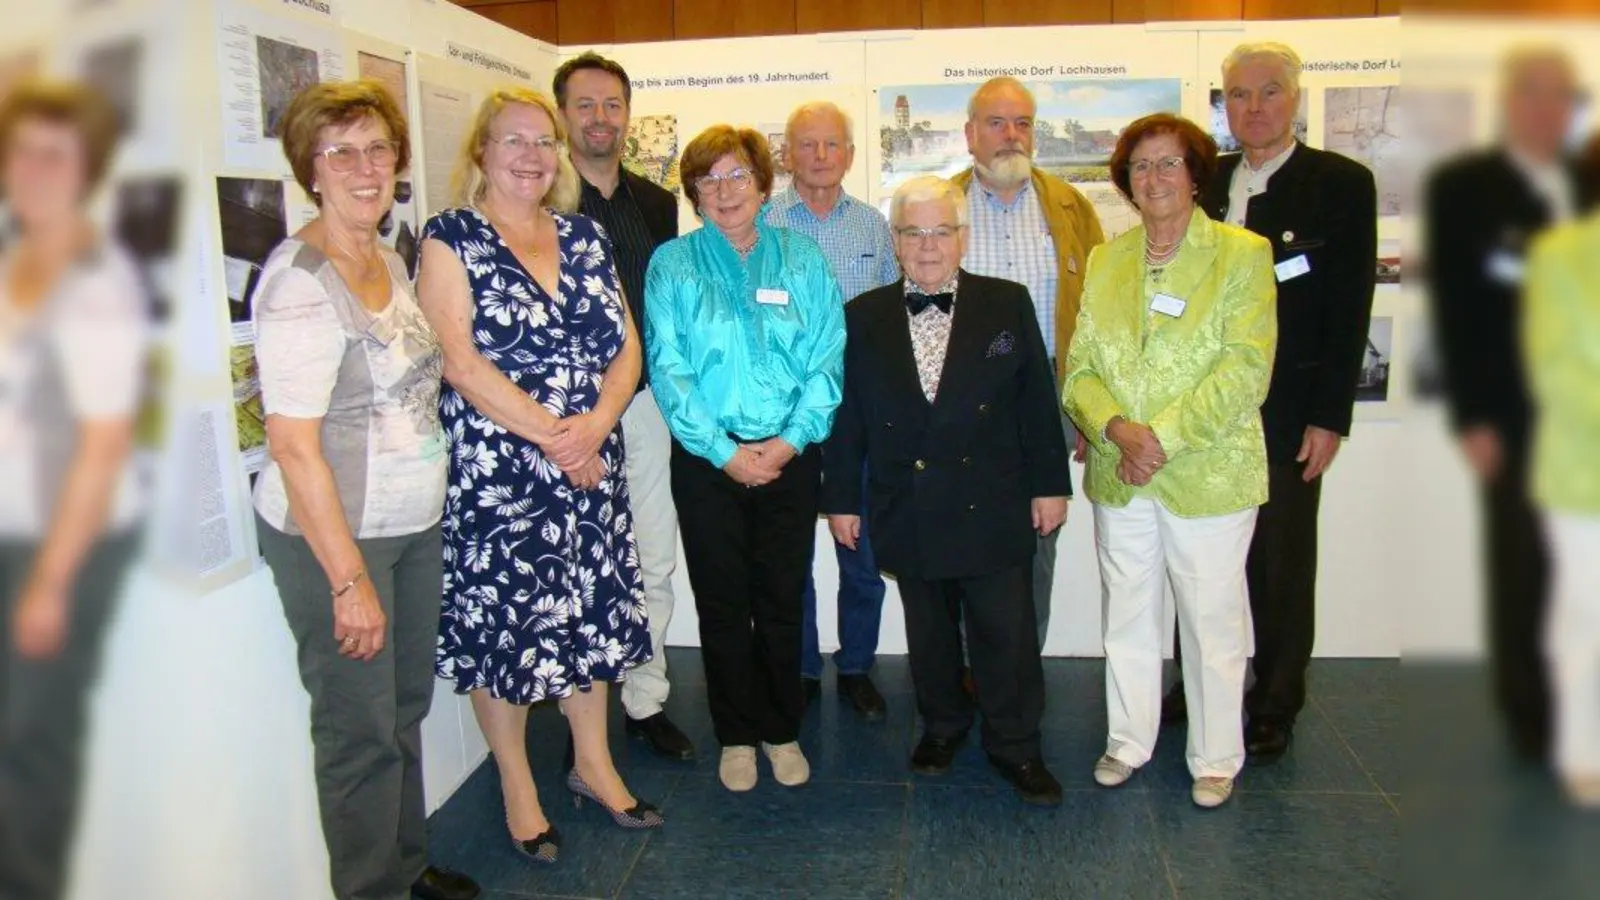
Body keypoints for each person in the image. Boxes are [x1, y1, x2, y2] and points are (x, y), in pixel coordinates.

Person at [416, 86, 660, 866]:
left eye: (542, 142)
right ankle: (518, 783)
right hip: (505, 476)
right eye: (512, 140)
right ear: (481, 153)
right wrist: (560, 438)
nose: (531, 155)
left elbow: (628, 349)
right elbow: (458, 361)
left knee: (589, 617)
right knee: (508, 630)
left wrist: (595, 428)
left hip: (591, 464)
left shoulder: (585, 236)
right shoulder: (451, 236)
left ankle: (593, 763)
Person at [250, 81, 478, 900]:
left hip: (412, 526)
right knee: (357, 734)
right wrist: (347, 582)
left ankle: (406, 867)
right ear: (310, 169)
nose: (363, 166)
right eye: (340, 150)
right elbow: (293, 446)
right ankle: (370, 888)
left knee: (403, 709)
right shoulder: (300, 283)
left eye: (377, 148)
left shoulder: (384, 255)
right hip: (336, 540)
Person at [824, 175, 1069, 806]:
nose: (927, 246)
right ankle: (942, 726)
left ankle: (1016, 745)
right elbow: (848, 415)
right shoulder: (863, 316)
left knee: (1005, 635)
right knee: (928, 631)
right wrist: (843, 500)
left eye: (941, 232)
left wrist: (1050, 486)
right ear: (896, 240)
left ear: (962, 238)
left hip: (992, 499)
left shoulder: (1006, 303)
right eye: (913, 232)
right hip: (907, 500)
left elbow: (1036, 405)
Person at [1165, 42, 1376, 765]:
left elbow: (1350, 308)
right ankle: (1193, 685)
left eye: (1269, 93)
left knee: (1280, 563)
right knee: (1196, 552)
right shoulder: (1206, 180)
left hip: (1287, 413)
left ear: (1296, 99)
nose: (1253, 108)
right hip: (1204, 407)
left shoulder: (1340, 184)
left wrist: (1329, 417)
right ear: (1222, 104)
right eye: (1239, 96)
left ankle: (1274, 701)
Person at [1063, 113, 1277, 809]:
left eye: (1168, 164)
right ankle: (1128, 741)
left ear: (1195, 175)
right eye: (1140, 166)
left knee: (1212, 618)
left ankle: (1216, 756)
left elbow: (1246, 370)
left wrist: (1160, 439)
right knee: (1127, 612)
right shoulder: (1109, 259)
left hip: (1208, 473)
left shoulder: (1241, 254)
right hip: (1120, 472)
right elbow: (1082, 368)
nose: (1152, 178)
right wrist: (1118, 430)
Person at [644, 125, 845, 793]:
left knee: (784, 598)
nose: (725, 191)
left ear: (764, 186)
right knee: (723, 602)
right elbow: (669, 371)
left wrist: (789, 442)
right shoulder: (671, 265)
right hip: (708, 465)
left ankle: (781, 728)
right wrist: (727, 454)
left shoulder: (804, 258)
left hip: (791, 456)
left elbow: (827, 358)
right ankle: (735, 732)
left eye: (738, 176)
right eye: (709, 179)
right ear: (694, 192)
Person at [0, 80, 148, 900]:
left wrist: (50, 585)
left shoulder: (99, 282)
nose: (35, 169)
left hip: (63, 543)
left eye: (56, 155)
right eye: (23, 151)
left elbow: (102, 445)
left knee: (33, 741)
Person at [1426, 45, 1590, 763]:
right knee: (1522, 567)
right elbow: (1459, 311)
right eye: (1534, 95)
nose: (1548, 110)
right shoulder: (1467, 187)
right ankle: (1532, 716)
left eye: (1562, 96)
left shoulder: (1587, 179)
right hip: (1515, 416)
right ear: (1509, 102)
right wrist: (1474, 417)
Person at [554, 51, 695, 761]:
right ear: (563, 115)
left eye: (612, 104)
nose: (601, 118)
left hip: (642, 407)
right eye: (586, 104)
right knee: (569, 562)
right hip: (561, 417)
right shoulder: (540, 200)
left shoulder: (656, 203)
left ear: (627, 115)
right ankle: (570, 697)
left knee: (652, 558)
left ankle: (645, 699)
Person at [950, 76, 1104, 653]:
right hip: (962, 398)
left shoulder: (1068, 207)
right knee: (964, 527)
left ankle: (1020, 662)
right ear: (969, 135)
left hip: (1049, 393)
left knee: (1041, 532)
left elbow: (1097, 315)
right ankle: (968, 662)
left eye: (1022, 124)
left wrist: (1092, 413)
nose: (1010, 136)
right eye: (996, 123)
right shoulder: (942, 205)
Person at [764, 101, 900, 720]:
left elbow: (896, 317)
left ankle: (856, 667)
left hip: (860, 416)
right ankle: (799, 666)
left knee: (862, 555)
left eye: (832, 145)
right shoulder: (763, 224)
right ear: (786, 153)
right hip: (783, 414)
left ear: (849, 153)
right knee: (792, 555)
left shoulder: (874, 227)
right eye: (807, 145)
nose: (820, 157)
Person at [1522, 201, 1600, 806]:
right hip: (1584, 471)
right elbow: (1553, 366)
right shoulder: (1560, 256)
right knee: (1585, 615)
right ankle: (1581, 751)